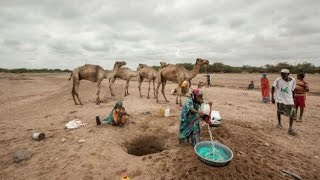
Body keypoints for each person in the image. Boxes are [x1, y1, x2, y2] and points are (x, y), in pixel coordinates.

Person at [271, 69, 297, 135]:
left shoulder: (293, 80)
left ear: (288, 74)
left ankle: (290, 128)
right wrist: (272, 97)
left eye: (284, 74)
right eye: (281, 74)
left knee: (292, 113)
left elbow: (293, 90)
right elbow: (273, 87)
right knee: (279, 111)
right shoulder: (278, 79)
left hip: (289, 99)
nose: (282, 76)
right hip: (280, 99)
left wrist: (293, 98)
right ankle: (279, 123)